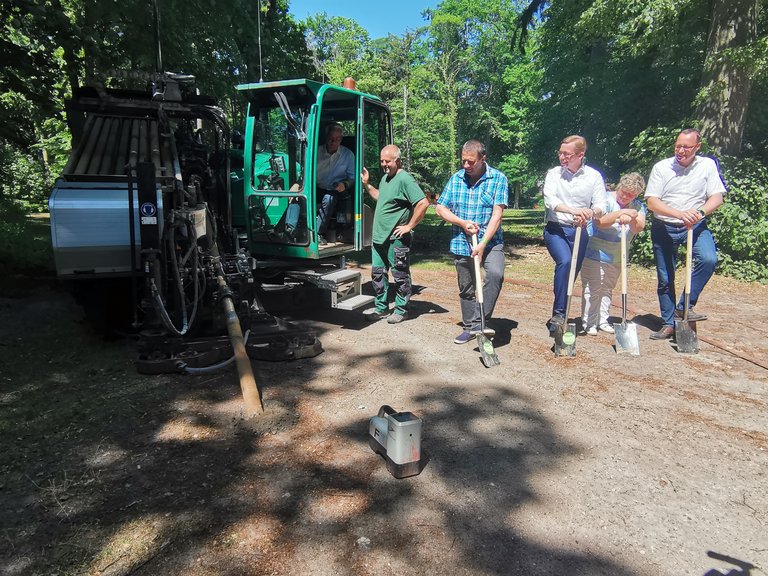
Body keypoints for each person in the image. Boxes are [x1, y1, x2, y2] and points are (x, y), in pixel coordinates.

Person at [644, 128, 726, 340]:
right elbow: (652, 201)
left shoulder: (707, 165)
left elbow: (717, 197)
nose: (680, 150)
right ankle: (669, 322)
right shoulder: (661, 167)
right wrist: (680, 214)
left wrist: (699, 213)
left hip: (696, 225)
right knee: (665, 276)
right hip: (665, 225)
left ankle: (684, 307)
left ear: (697, 147)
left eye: (686, 147)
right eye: (678, 146)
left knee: (708, 259)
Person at [435, 140, 509, 345]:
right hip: (461, 241)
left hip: (491, 241)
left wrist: (483, 243)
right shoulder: (456, 179)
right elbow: (440, 208)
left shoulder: (498, 178)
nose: (466, 166)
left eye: (471, 162)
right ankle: (470, 327)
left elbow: (497, 215)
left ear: (483, 159)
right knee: (467, 287)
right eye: (463, 161)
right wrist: (461, 222)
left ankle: (479, 322)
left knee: (495, 274)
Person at [543, 135, 607, 330]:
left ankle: (562, 312)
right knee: (565, 262)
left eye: (567, 154)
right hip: (556, 230)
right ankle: (559, 315)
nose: (562, 157)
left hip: (580, 231)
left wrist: (590, 212)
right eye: (560, 153)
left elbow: (601, 205)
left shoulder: (593, 176)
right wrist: (573, 211)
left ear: (581, 155)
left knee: (571, 274)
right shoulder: (554, 174)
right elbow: (550, 201)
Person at [361, 145, 430, 324]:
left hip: (396, 238)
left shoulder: (405, 179)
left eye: (388, 161)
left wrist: (409, 226)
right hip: (379, 237)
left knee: (400, 275)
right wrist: (367, 185)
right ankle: (381, 308)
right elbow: (381, 197)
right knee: (378, 274)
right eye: (382, 161)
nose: (384, 164)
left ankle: (401, 310)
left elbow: (423, 203)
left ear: (397, 161)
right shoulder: (385, 178)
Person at [581, 173, 647, 336]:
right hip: (595, 252)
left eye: (631, 194)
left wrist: (631, 217)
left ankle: (602, 320)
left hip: (618, 255)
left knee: (607, 288)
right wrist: (620, 213)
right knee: (593, 288)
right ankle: (589, 322)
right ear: (619, 187)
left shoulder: (637, 206)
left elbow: (638, 228)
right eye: (624, 192)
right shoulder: (604, 199)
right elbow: (600, 222)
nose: (626, 196)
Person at [316, 123, 356, 244]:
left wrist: (345, 184)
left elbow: (353, 178)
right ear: (326, 137)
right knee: (297, 197)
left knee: (329, 198)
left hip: (335, 190)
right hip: (314, 188)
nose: (334, 141)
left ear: (341, 140)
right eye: (331, 138)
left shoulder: (348, 155)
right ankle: (287, 229)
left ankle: (317, 233)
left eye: (337, 138)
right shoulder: (315, 152)